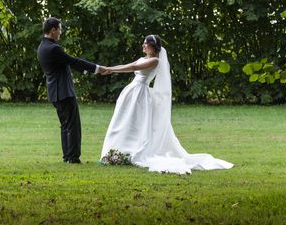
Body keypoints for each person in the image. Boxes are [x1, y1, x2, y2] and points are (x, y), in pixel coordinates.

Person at [100, 34, 233, 174]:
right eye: (144, 43)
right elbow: (130, 65)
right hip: (132, 91)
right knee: (123, 121)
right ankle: (117, 151)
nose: (143, 45)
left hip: (140, 93)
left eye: (146, 43)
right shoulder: (143, 58)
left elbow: (133, 67)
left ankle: (127, 152)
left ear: (153, 46)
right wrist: (109, 68)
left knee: (134, 122)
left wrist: (112, 69)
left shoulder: (155, 61)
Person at [37, 17, 108, 164]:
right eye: (60, 29)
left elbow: (68, 64)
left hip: (55, 92)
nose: (60, 33)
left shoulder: (42, 47)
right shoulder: (54, 48)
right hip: (63, 91)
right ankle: (73, 158)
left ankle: (67, 157)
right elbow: (73, 61)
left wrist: (90, 70)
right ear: (53, 30)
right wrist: (97, 68)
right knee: (73, 125)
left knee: (65, 125)